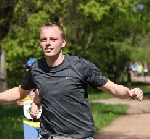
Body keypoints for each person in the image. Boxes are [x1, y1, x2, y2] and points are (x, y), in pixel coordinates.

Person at [0, 22, 143, 139]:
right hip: (50, 136)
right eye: (44, 39)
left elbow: (112, 88)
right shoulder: (36, 68)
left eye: (53, 39)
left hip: (79, 136)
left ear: (63, 42)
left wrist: (130, 92)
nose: (48, 43)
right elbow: (20, 92)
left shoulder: (80, 66)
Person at [17, 58, 42, 139]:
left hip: (44, 123)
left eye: (32, 67)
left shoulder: (44, 81)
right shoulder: (23, 84)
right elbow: (19, 98)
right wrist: (19, 101)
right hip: (29, 123)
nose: (30, 70)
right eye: (28, 67)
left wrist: (38, 96)